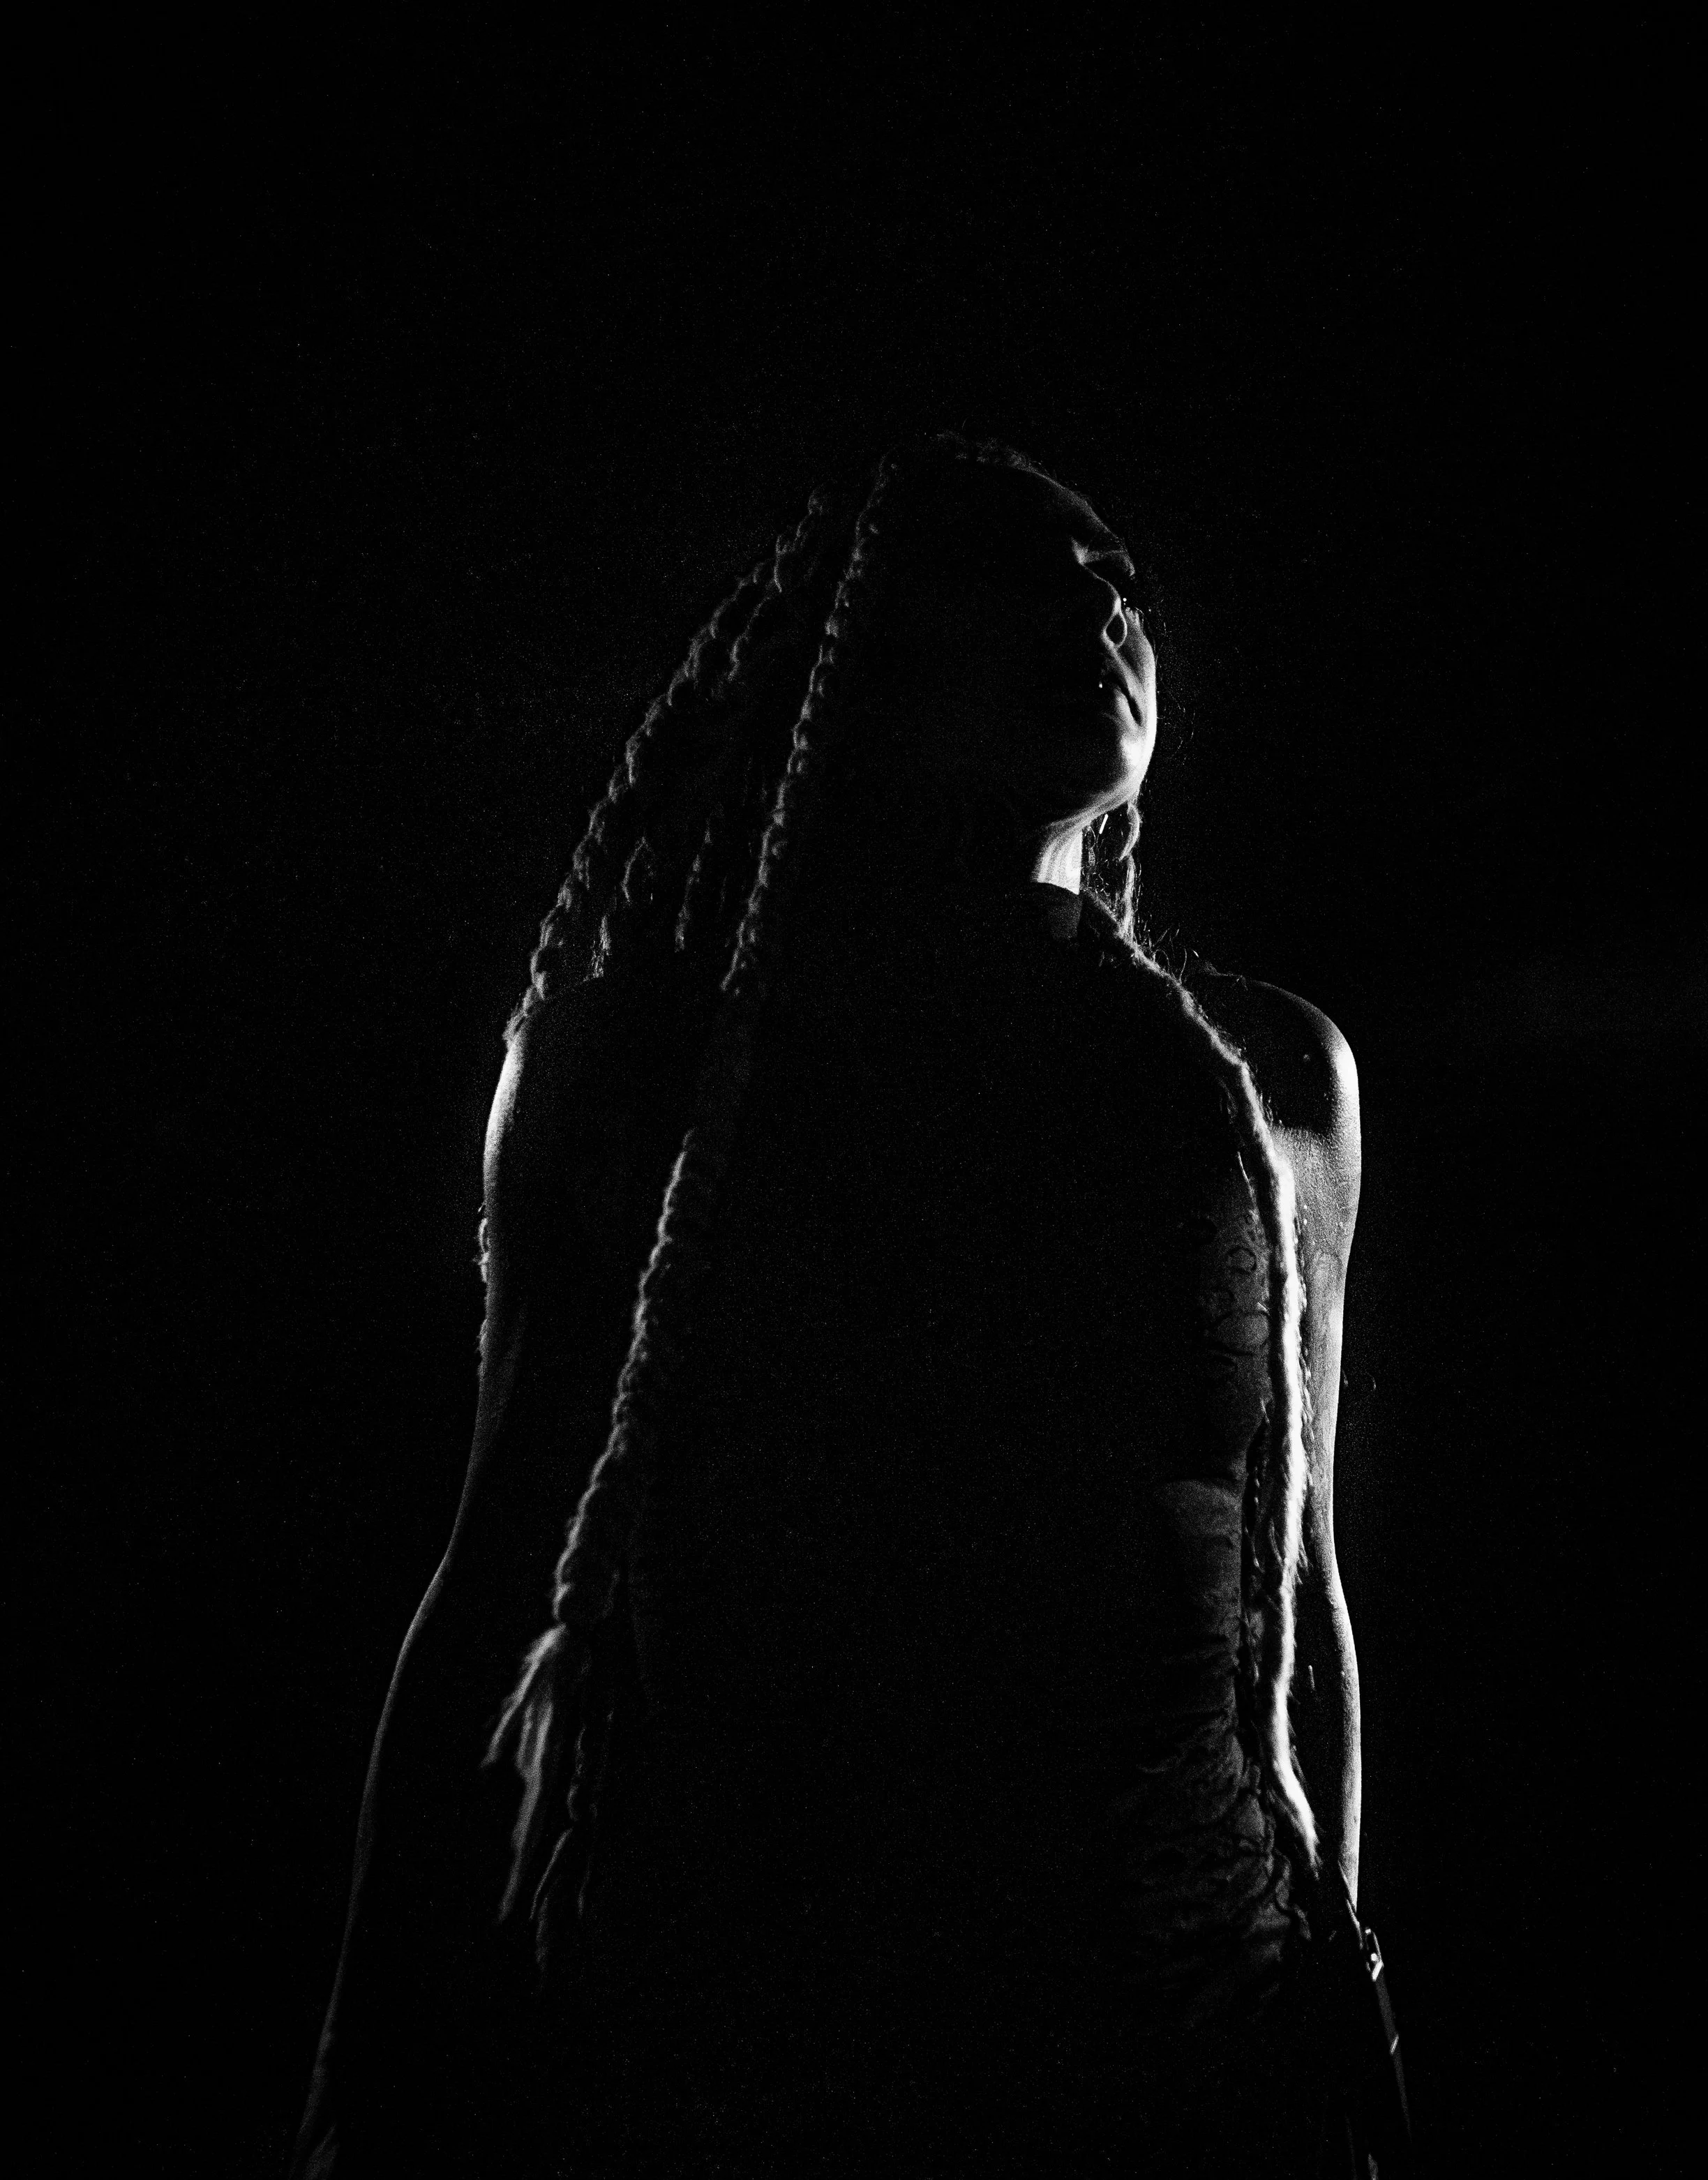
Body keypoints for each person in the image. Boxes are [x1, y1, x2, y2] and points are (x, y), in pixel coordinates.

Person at [290, 433, 1364, 2177]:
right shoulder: (639, 1067)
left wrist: (1331, 1988)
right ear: (855, 647)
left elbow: (1295, 1602)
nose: (1094, 604)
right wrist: (368, 2058)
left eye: (1119, 584)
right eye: (1023, 567)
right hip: (755, 2042)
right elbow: (496, 1576)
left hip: (1186, 2042)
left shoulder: (1266, 1088)